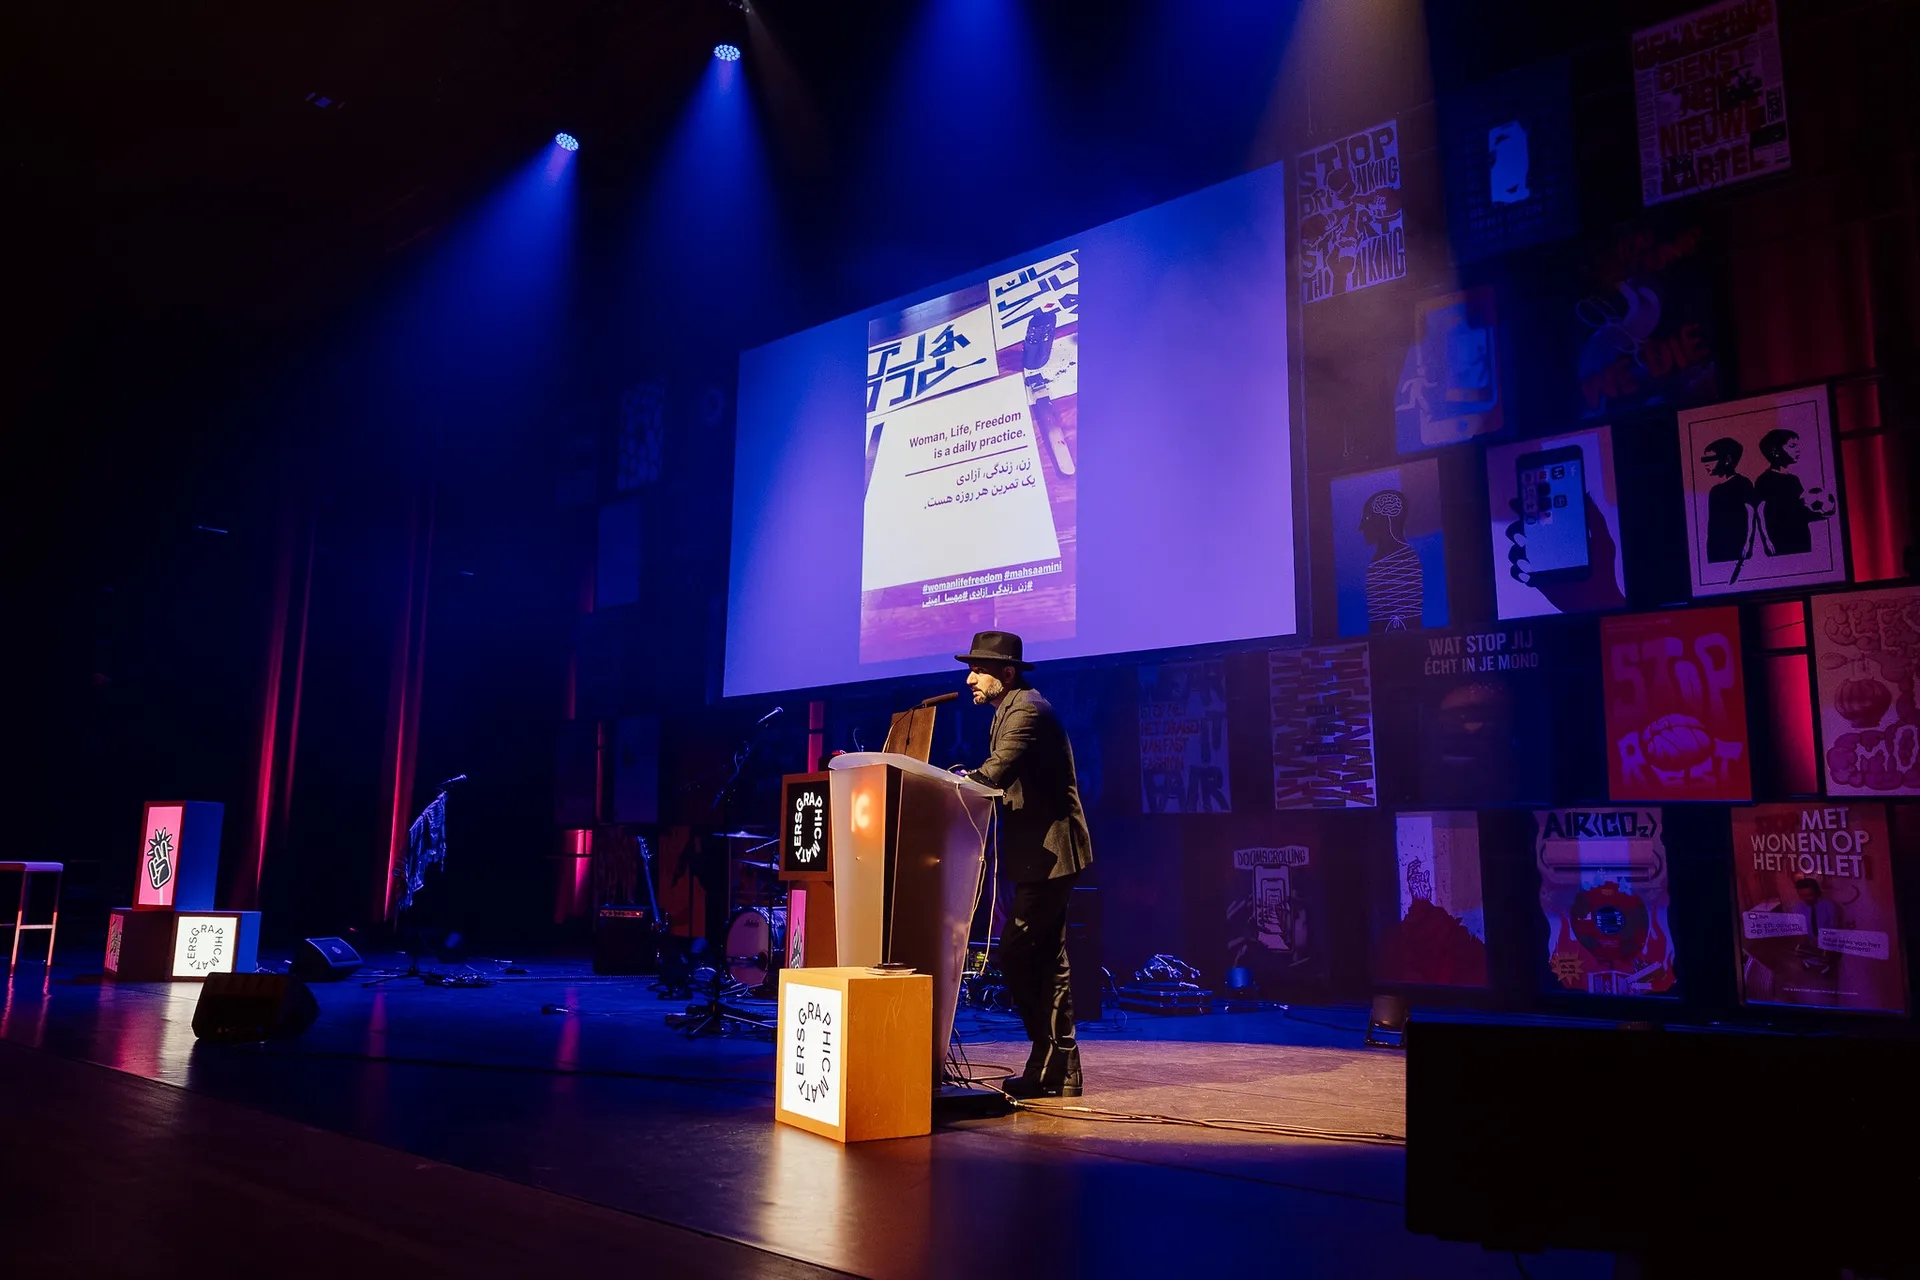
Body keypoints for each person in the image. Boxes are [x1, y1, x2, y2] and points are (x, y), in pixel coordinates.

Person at [955, 630, 1093, 1098]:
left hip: (1053, 854)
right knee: (1050, 959)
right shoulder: (1010, 709)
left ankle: (1047, 1056)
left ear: (1007, 674)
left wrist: (959, 784)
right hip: (1041, 856)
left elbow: (994, 773)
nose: (970, 679)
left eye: (979, 670)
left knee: (1015, 954)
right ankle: (1062, 1068)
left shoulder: (1027, 711)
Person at [1753, 429, 1828, 557]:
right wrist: (1767, 540)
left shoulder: (1794, 479)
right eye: (1792, 446)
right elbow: (1759, 511)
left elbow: (1800, 509)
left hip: (1801, 536)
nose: (1798, 450)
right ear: (1775, 451)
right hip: (1780, 539)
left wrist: (1821, 514)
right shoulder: (1765, 480)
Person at [1699, 437, 1756, 565]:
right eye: (1704, 460)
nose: (1706, 464)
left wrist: (1748, 543)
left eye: (1710, 459)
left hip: (1736, 544)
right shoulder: (1714, 490)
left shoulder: (1742, 483)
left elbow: (1751, 513)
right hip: (1716, 547)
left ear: (1727, 460)